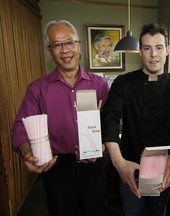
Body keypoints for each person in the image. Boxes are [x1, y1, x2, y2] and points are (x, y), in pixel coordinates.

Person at [101, 22, 170, 215]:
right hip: (130, 166)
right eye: (147, 48)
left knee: (158, 212)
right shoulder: (123, 83)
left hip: (164, 168)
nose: (153, 54)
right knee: (132, 211)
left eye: (158, 47)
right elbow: (110, 118)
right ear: (140, 51)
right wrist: (118, 162)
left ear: (167, 50)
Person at [12, 20, 109, 216]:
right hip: (57, 167)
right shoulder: (37, 88)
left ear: (79, 46)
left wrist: (103, 146)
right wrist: (26, 152)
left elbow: (110, 123)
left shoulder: (99, 85)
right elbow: (20, 128)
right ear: (50, 51)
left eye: (70, 42)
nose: (65, 50)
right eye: (57, 44)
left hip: (93, 164)